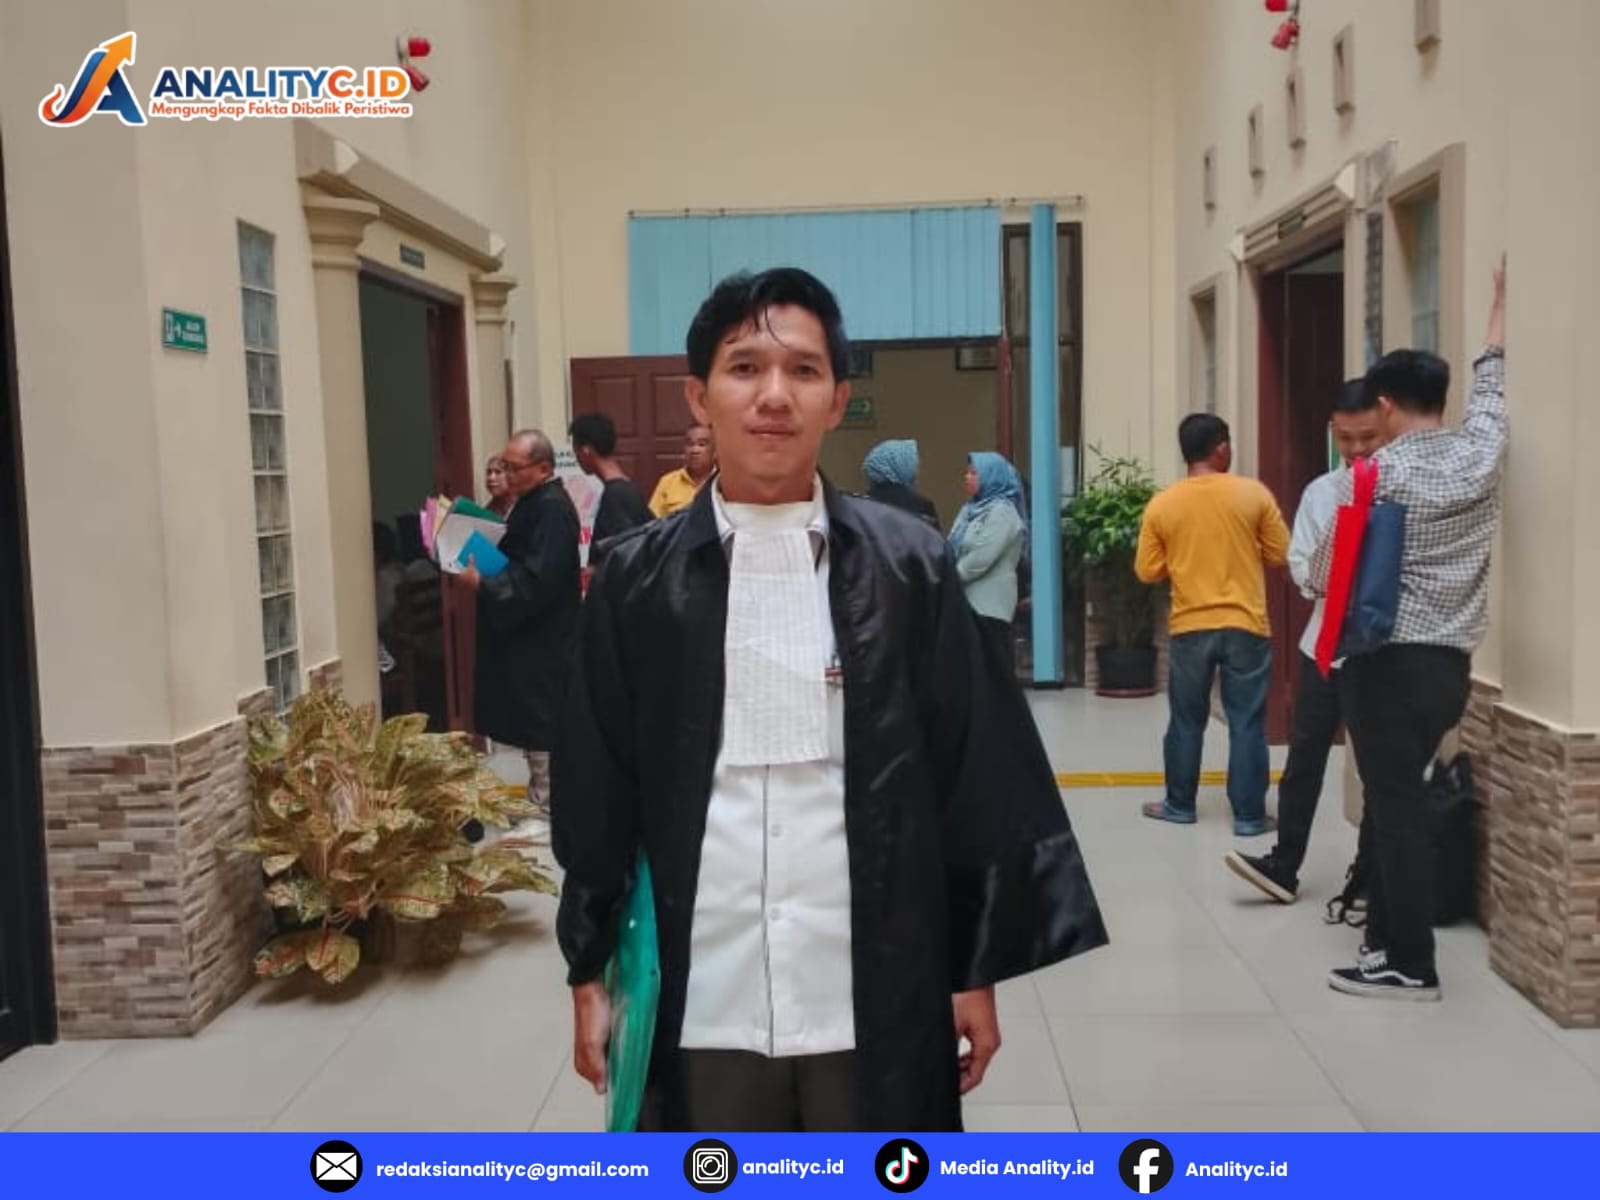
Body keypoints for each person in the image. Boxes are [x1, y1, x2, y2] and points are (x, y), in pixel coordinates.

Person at [552, 267, 1106, 1133]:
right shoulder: (635, 581)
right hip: (705, 986)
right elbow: (599, 788)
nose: (774, 395)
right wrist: (588, 966)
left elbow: (972, 774)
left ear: (838, 400)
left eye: (803, 371)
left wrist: (973, 966)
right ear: (699, 396)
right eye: (744, 368)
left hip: (873, 977)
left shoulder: (910, 566)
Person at [1310, 259, 1507, 1002]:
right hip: (1450, 669)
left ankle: (1411, 963)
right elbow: (1492, 389)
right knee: (1403, 798)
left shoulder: (1377, 477)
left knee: (1394, 811)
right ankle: (1383, 943)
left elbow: (1326, 570)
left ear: (1386, 405)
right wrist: (1498, 310)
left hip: (1386, 667)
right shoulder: (1480, 454)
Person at [1225, 381, 1382, 902]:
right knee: (1304, 760)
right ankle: (1283, 865)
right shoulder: (1322, 493)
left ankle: (1369, 874)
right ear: (1333, 432)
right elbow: (1304, 572)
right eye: (1346, 438)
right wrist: (1348, 519)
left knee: (1379, 767)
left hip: (1381, 653)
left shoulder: (1407, 487)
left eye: (1368, 438)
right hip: (1324, 646)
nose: (1356, 450)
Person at [1135, 413, 1291, 837]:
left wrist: (1182, 559)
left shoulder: (1163, 504)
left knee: (1187, 720)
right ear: (1221, 449)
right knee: (1247, 722)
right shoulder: (1253, 495)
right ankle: (1250, 817)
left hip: (1190, 626)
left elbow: (1147, 570)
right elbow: (1280, 553)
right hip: (1246, 625)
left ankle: (1179, 805)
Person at [457, 429, 581, 816]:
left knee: (542, 717)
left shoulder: (552, 509)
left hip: (543, 637)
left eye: (514, 468)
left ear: (543, 468)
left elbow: (539, 578)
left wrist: (484, 582)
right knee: (529, 716)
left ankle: (547, 805)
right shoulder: (530, 503)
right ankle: (540, 797)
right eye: (503, 466)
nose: (506, 475)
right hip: (527, 637)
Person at [948, 451, 1028, 665]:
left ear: (991, 477)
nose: (967, 477)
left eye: (974, 473)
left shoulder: (1003, 512)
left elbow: (980, 559)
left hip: (989, 606)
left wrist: (949, 577)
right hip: (967, 603)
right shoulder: (969, 511)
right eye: (967, 472)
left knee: (990, 668)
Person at [569, 413, 653, 567]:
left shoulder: (615, 496)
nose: (577, 459)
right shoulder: (627, 489)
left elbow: (624, 552)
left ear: (586, 450)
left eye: (576, 452)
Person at [860, 438, 939, 527]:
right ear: (904, 466)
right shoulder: (921, 507)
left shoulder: (859, 505)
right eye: (914, 465)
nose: (917, 472)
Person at [648, 423, 716, 518]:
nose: (694, 450)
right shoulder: (667, 482)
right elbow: (653, 521)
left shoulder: (724, 484)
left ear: (715, 451)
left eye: (702, 444)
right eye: (690, 444)